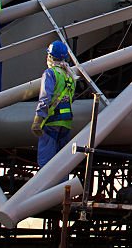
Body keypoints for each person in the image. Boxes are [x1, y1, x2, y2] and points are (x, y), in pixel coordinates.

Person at [31, 40, 77, 168]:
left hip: (51, 121)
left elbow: (45, 98)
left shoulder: (50, 73)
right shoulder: (70, 75)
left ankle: (46, 188)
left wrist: (38, 120)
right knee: (61, 164)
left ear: (50, 56)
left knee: (46, 164)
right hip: (66, 122)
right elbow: (71, 98)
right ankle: (62, 187)